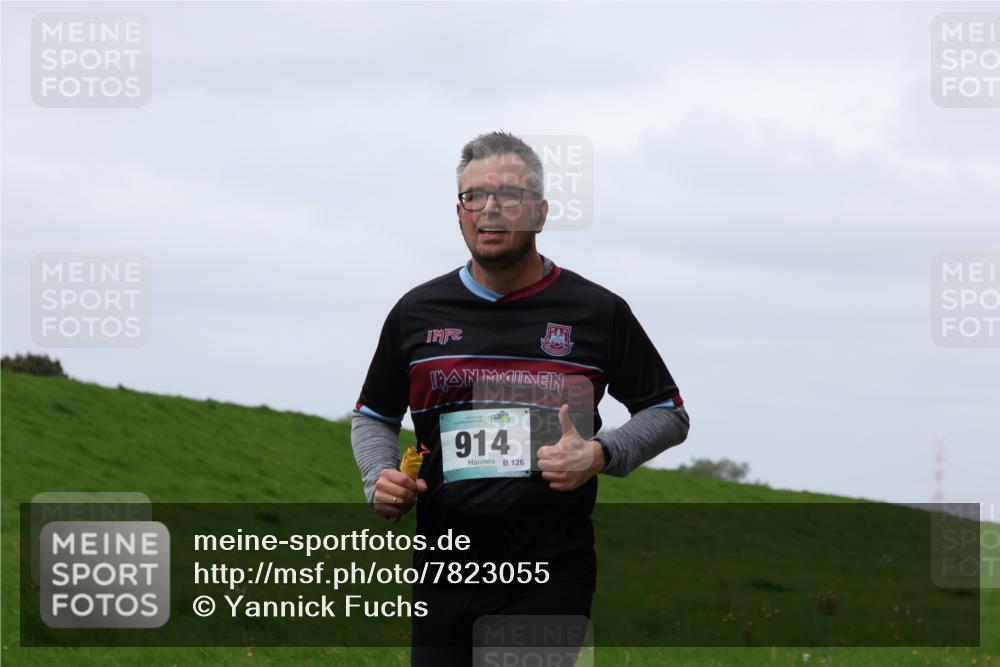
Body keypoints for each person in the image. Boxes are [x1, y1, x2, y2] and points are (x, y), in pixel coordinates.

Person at [352, 131, 690, 666]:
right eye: (473, 197)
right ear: (459, 212)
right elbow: (373, 416)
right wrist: (380, 478)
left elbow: (668, 413)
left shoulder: (598, 312)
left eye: (508, 196)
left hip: (549, 568)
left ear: (540, 210)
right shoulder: (416, 313)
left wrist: (599, 454)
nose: (490, 210)